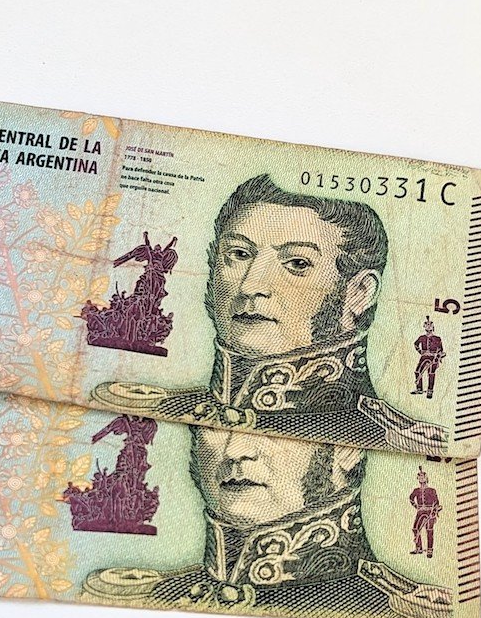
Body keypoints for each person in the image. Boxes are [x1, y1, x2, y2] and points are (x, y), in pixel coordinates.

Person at [91, 174, 447, 454]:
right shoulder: (155, 407)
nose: (251, 286)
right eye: (239, 254)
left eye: (297, 263)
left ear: (359, 293)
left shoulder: (396, 442)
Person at [82, 425, 452, 618]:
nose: (234, 452)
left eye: (273, 432)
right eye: (214, 427)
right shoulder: (144, 603)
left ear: (346, 450)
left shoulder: (402, 614)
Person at [409, 467, 441, 558]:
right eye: (419, 477)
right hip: (420, 512)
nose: (421, 479)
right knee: (415, 529)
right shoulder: (416, 490)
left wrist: (434, 511)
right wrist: (416, 506)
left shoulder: (432, 490)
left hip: (429, 512)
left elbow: (436, 502)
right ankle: (419, 548)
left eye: (423, 477)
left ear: (426, 478)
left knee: (429, 530)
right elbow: (411, 498)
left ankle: (430, 550)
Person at [412, 316, 445, 399]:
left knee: (431, 373)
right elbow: (416, 344)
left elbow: (440, 350)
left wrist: (437, 358)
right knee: (417, 371)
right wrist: (420, 351)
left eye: (430, 327)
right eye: (427, 327)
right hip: (424, 357)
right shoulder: (422, 337)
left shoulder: (437, 338)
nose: (428, 329)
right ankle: (419, 388)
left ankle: (430, 391)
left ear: (433, 328)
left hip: (433, 358)